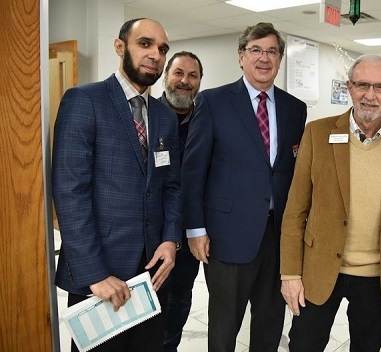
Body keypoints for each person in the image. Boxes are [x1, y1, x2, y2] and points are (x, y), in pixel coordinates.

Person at [52, 18, 181, 352]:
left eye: (162, 49)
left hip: (151, 273)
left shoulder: (165, 116)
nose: (155, 54)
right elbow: (70, 192)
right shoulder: (85, 101)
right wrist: (94, 273)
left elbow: (171, 186)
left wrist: (170, 240)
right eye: (145, 44)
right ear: (120, 47)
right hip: (102, 271)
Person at [280, 54, 381, 351]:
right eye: (362, 85)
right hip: (319, 270)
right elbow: (295, 209)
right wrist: (290, 273)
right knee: (304, 345)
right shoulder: (318, 134)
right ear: (349, 86)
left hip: (377, 276)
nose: (370, 95)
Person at [181, 22, 308, 351]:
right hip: (227, 235)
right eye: (256, 50)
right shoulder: (213, 101)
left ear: (280, 59)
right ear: (241, 56)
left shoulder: (296, 109)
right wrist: (195, 229)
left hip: (278, 237)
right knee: (224, 326)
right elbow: (193, 171)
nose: (264, 58)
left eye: (272, 51)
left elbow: (291, 171)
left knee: (269, 323)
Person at [160, 51, 203, 352]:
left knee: (181, 296)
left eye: (192, 76)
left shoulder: (205, 120)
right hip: (151, 232)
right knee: (150, 298)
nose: (184, 81)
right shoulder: (146, 116)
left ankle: (169, 346)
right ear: (166, 76)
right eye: (178, 73)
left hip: (189, 234)